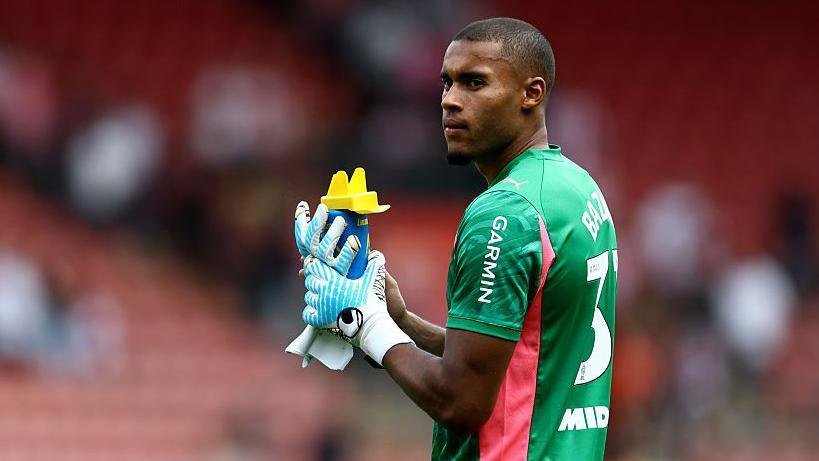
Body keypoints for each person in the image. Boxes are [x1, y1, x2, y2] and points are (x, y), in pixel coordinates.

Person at [295, 17, 618, 460]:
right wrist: (401, 322)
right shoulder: (577, 188)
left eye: (474, 83)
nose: (450, 99)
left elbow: (460, 401)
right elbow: (519, 353)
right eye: (447, 83)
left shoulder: (504, 214)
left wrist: (364, 324)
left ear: (531, 93)